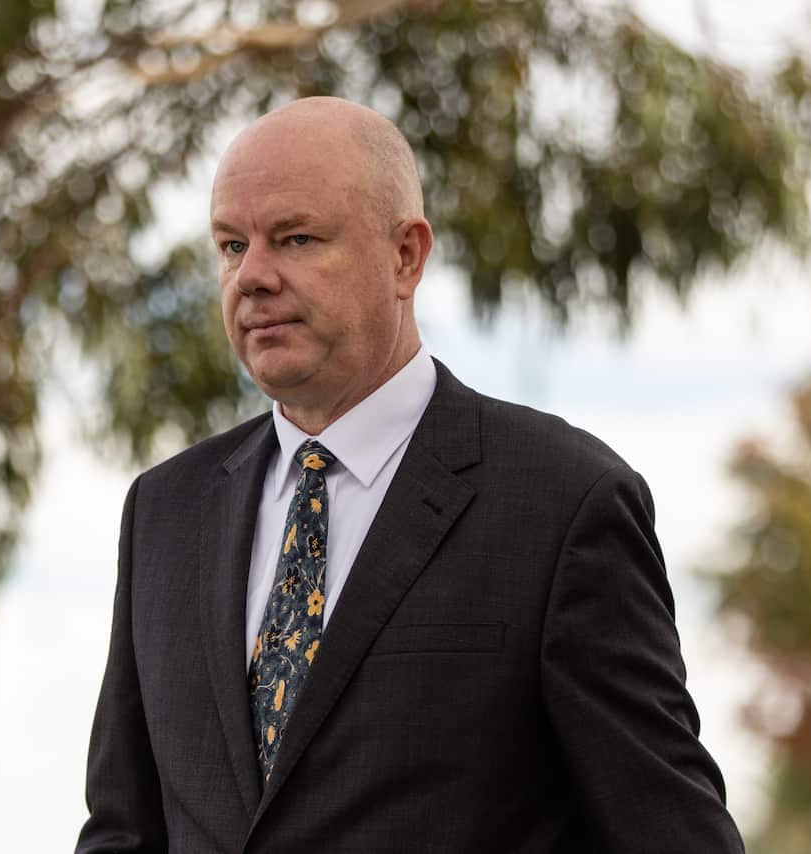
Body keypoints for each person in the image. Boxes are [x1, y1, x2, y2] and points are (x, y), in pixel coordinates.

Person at [75, 96, 744, 853]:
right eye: (231, 246)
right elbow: (123, 829)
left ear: (406, 256)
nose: (252, 276)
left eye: (295, 238)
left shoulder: (563, 505)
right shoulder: (165, 509)